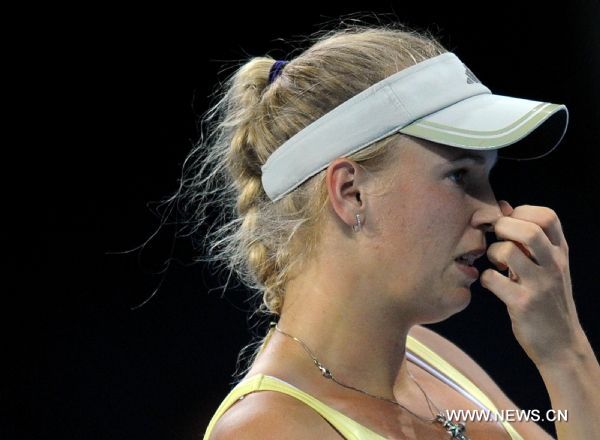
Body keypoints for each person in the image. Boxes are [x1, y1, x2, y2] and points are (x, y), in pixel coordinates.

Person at [180, 22, 599, 439]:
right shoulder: (267, 430)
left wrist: (564, 349)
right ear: (351, 192)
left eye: (486, 177)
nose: (492, 211)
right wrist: (567, 357)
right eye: (459, 175)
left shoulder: (431, 355)